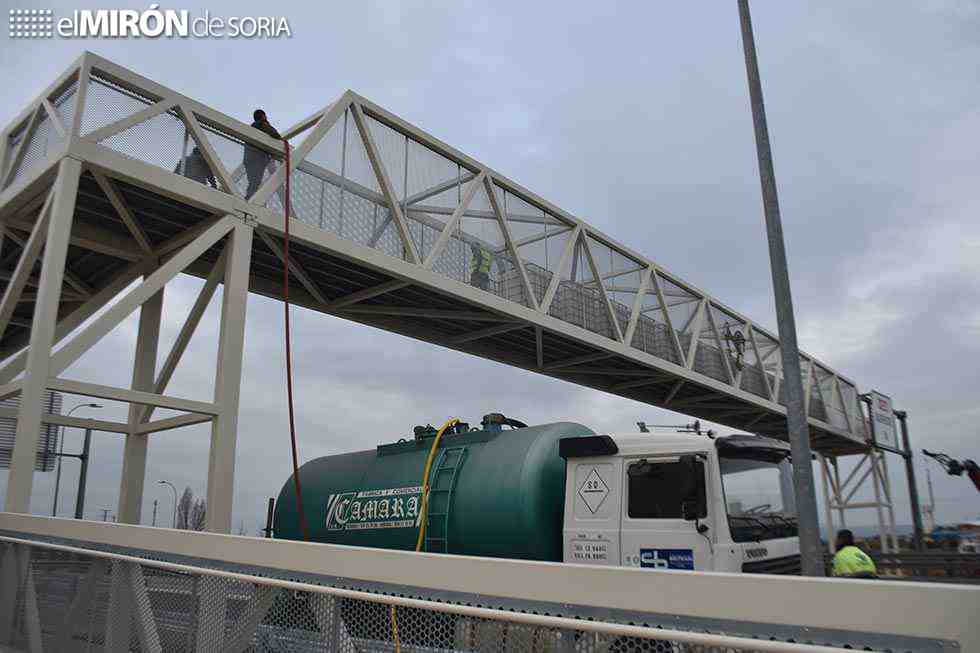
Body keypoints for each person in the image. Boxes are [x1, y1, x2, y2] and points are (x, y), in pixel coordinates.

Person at [244, 108, 282, 199]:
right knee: (256, 181)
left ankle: (249, 199)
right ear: (263, 116)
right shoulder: (262, 124)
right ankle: (249, 200)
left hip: (248, 159)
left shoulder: (252, 128)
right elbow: (275, 134)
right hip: (257, 159)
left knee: (253, 182)